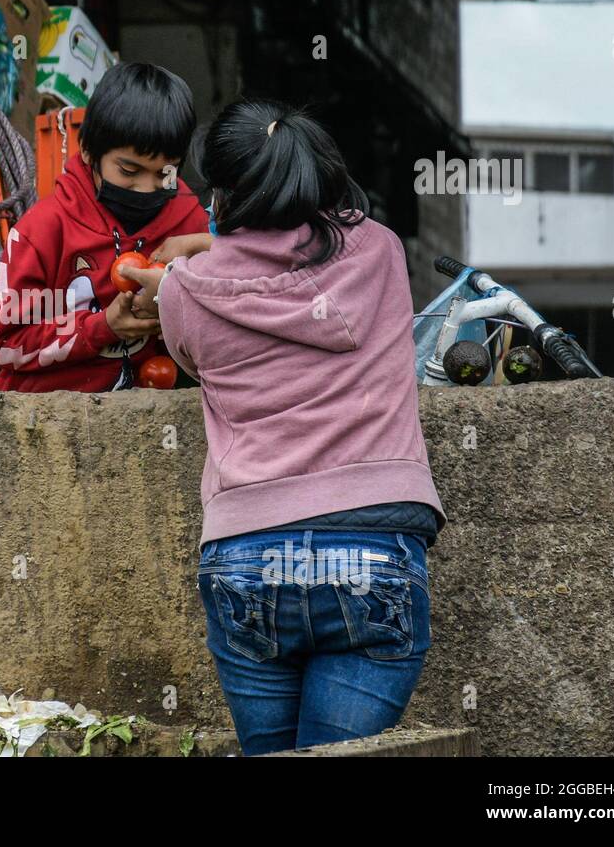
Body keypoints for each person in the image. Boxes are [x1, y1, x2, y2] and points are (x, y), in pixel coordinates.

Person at [122, 99, 447, 754]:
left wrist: (186, 262)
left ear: (219, 191)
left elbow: (195, 347)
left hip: (246, 555)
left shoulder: (182, 292)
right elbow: (319, 244)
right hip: (374, 551)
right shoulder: (380, 254)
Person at [0, 62, 211, 392]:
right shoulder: (43, 230)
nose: (147, 188)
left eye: (165, 173)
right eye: (129, 171)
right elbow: (5, 345)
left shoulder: (191, 224)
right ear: (89, 151)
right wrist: (101, 326)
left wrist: (200, 257)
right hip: (43, 419)